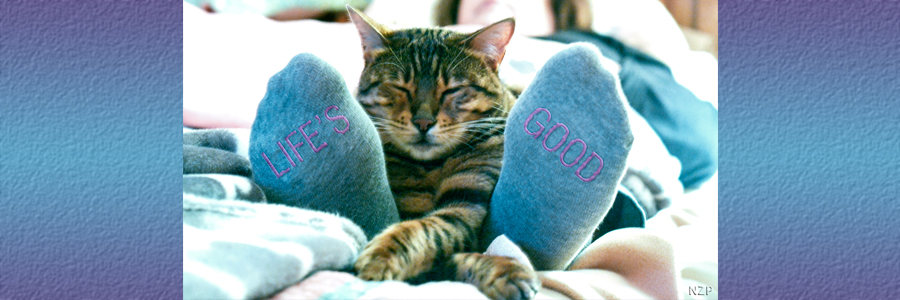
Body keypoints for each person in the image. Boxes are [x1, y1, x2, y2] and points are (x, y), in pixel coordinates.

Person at [435, 0, 719, 191]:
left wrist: (596, 68)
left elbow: (701, 143)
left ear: (558, 8)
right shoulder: (418, 49)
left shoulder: (606, 52)